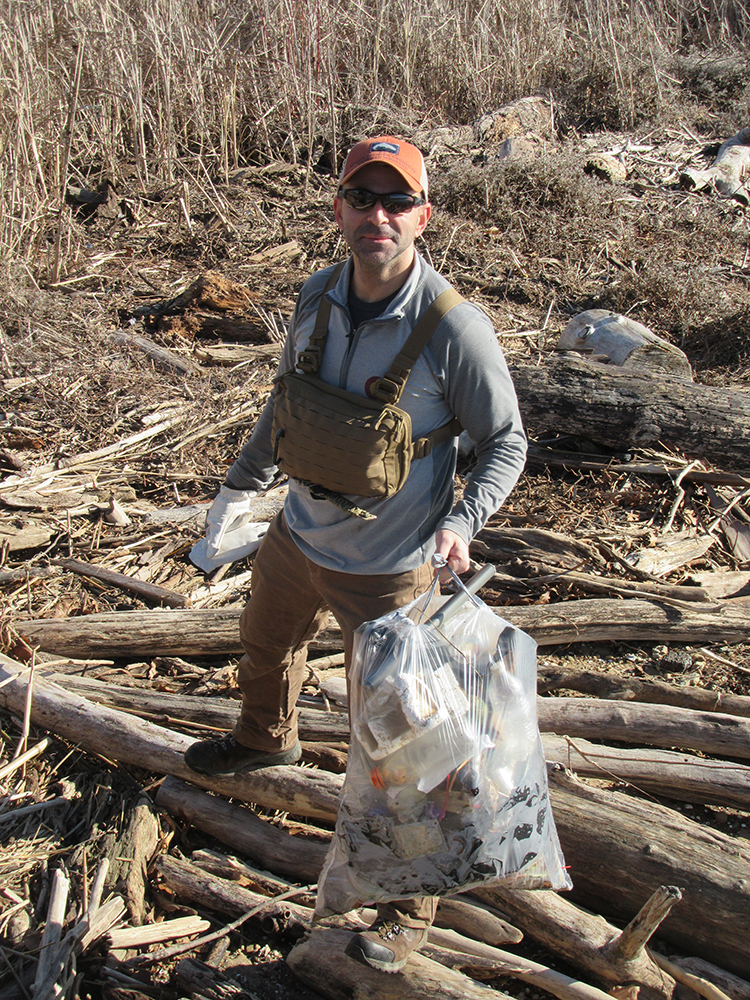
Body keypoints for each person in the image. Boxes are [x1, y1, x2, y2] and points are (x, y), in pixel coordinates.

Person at [184, 136, 527, 973]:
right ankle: (268, 741)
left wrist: (464, 520)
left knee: (407, 744)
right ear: (338, 209)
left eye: (396, 202)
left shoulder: (454, 331)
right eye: (362, 199)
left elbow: (507, 442)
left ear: (423, 216)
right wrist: (236, 493)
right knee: (264, 646)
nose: (378, 216)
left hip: (392, 569)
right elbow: (286, 408)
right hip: (297, 537)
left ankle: (412, 902)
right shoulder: (315, 297)